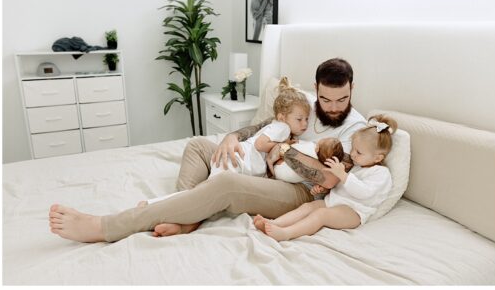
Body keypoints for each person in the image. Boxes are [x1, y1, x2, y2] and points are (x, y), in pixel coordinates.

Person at [49, 58, 367, 242]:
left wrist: (284, 150)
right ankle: (191, 217)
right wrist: (231, 137)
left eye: (342, 98)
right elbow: (262, 129)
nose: (334, 106)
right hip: (264, 169)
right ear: (316, 90)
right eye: (327, 99)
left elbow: (328, 180)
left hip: (297, 193)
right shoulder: (304, 106)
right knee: (200, 146)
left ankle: (105, 226)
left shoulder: (355, 128)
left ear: (352, 88)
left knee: (225, 183)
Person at [140, 78, 310, 206]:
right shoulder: (283, 129)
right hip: (238, 161)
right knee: (202, 194)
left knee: (203, 193)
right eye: (300, 119)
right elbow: (259, 145)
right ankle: (156, 204)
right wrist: (281, 146)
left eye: (307, 119)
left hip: (236, 159)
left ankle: (161, 206)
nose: (305, 124)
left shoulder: (277, 126)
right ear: (282, 117)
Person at [254, 115, 398, 241]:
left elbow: (364, 193)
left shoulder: (381, 173)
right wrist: (322, 189)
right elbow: (340, 187)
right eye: (353, 148)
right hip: (334, 201)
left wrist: (343, 175)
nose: (352, 154)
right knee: (308, 207)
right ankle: (275, 223)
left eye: (358, 152)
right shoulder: (357, 165)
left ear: (378, 157)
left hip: (354, 212)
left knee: (321, 215)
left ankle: (286, 233)